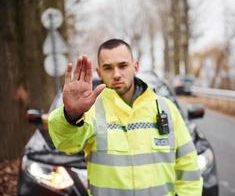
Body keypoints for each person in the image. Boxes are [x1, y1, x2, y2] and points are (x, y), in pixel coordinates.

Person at [48, 38, 203, 196]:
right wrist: (71, 115)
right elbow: (66, 144)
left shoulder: (166, 109)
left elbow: (188, 169)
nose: (116, 74)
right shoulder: (90, 112)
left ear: (135, 67)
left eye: (123, 66)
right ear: (99, 72)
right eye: (108, 68)